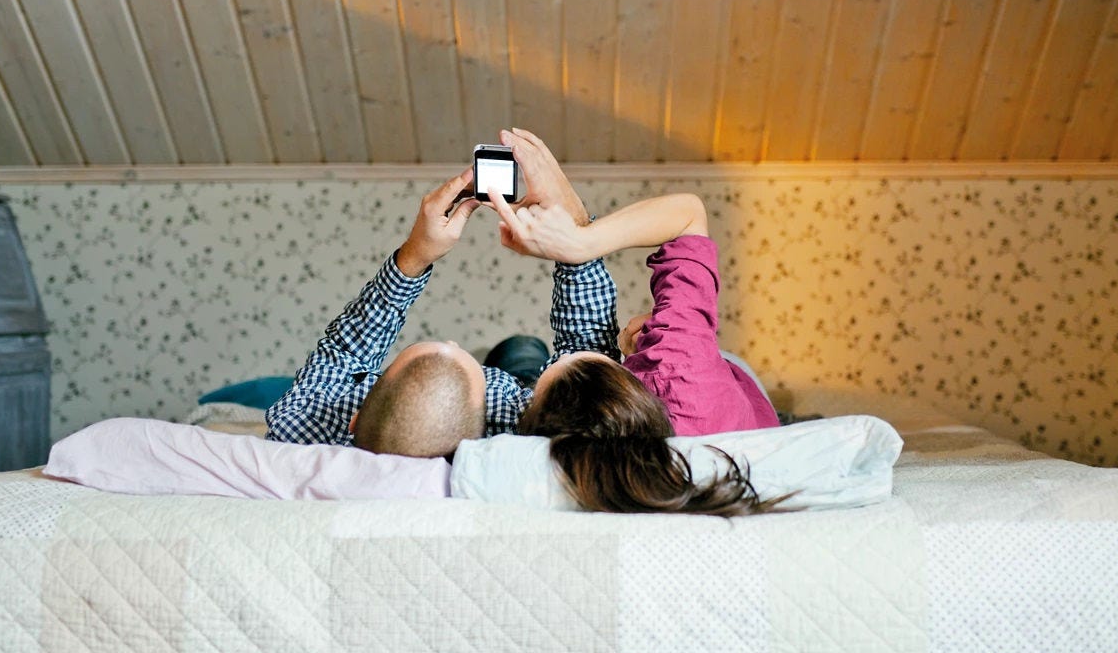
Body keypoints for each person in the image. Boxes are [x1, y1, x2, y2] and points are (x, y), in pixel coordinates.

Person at [489, 130, 786, 516]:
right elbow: (687, 214)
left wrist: (577, 228)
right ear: (626, 380)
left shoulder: (558, 446)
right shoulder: (677, 370)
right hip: (726, 390)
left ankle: (531, 362)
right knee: (529, 352)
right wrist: (581, 241)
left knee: (520, 350)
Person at [264, 163, 619, 459]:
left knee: (515, 348)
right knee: (524, 348)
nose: (452, 341)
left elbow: (342, 354)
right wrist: (575, 229)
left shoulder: (298, 429)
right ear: (485, 441)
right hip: (529, 390)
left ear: (354, 421)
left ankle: (490, 358)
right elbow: (588, 366)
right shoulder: (529, 434)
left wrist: (415, 255)